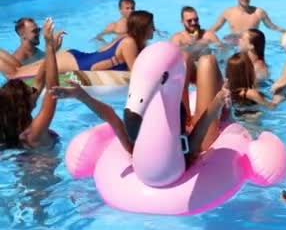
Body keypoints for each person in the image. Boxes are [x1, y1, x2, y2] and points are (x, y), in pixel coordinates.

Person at [50, 54, 231, 164]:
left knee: (181, 59)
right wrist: (221, 97)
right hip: (200, 143)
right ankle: (204, 82)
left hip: (183, 129)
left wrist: (82, 96)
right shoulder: (187, 148)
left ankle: (195, 79)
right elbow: (206, 119)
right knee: (207, 61)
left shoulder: (136, 147)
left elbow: (111, 116)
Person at [7, 10, 155, 79]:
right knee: (15, 74)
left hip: (75, 58)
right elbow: (138, 74)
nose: (154, 29)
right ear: (142, 28)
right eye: (151, 26)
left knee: (19, 69)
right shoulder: (129, 42)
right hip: (75, 63)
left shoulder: (126, 39)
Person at [0, 18, 61, 150]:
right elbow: (52, 89)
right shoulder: (34, 132)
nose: (34, 92)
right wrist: (49, 45)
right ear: (26, 103)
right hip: (41, 170)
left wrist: (51, 50)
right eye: (30, 92)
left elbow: (38, 81)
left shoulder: (9, 127)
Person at [209, 0, 286, 40]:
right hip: (234, 44)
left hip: (251, 44)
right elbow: (214, 28)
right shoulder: (228, 12)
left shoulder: (259, 12)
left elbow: (272, 26)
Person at [0, 17, 65, 76]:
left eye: (38, 30)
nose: (38, 34)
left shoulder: (36, 51)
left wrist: (53, 50)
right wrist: (52, 50)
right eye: (34, 31)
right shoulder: (17, 59)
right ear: (22, 35)